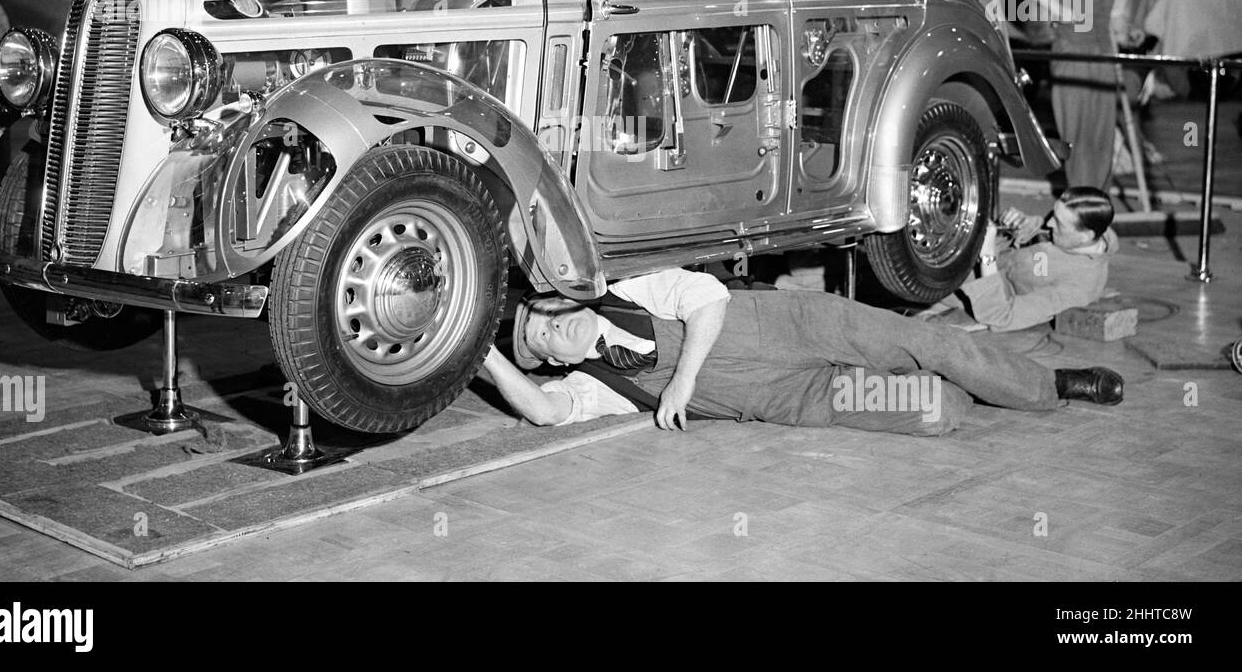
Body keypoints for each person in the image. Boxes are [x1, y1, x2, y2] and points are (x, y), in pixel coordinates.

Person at [475, 268, 1124, 438]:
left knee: (929, 342)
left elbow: (707, 301)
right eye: (535, 344)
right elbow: (543, 413)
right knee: (933, 410)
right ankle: (971, 389)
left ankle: (1051, 386)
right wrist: (487, 354)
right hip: (792, 398)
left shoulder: (628, 291)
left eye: (541, 319)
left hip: (802, 326)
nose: (544, 333)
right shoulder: (598, 387)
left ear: (565, 303)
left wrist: (681, 385)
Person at [1012, 0, 1140, 190]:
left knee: (1102, 138)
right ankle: (1079, 200)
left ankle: (1097, 202)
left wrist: (1129, 32)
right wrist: (1060, 10)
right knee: (1078, 136)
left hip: (1105, 60)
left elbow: (1116, 20)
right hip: (1072, 57)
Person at [941, 187, 1118, 333]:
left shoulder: (1077, 289)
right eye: (1053, 215)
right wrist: (1020, 224)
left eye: (1058, 223)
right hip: (973, 253)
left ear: (1085, 236)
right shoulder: (1079, 234)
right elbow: (1042, 234)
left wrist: (987, 255)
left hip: (962, 286)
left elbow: (1000, 316)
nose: (1049, 224)